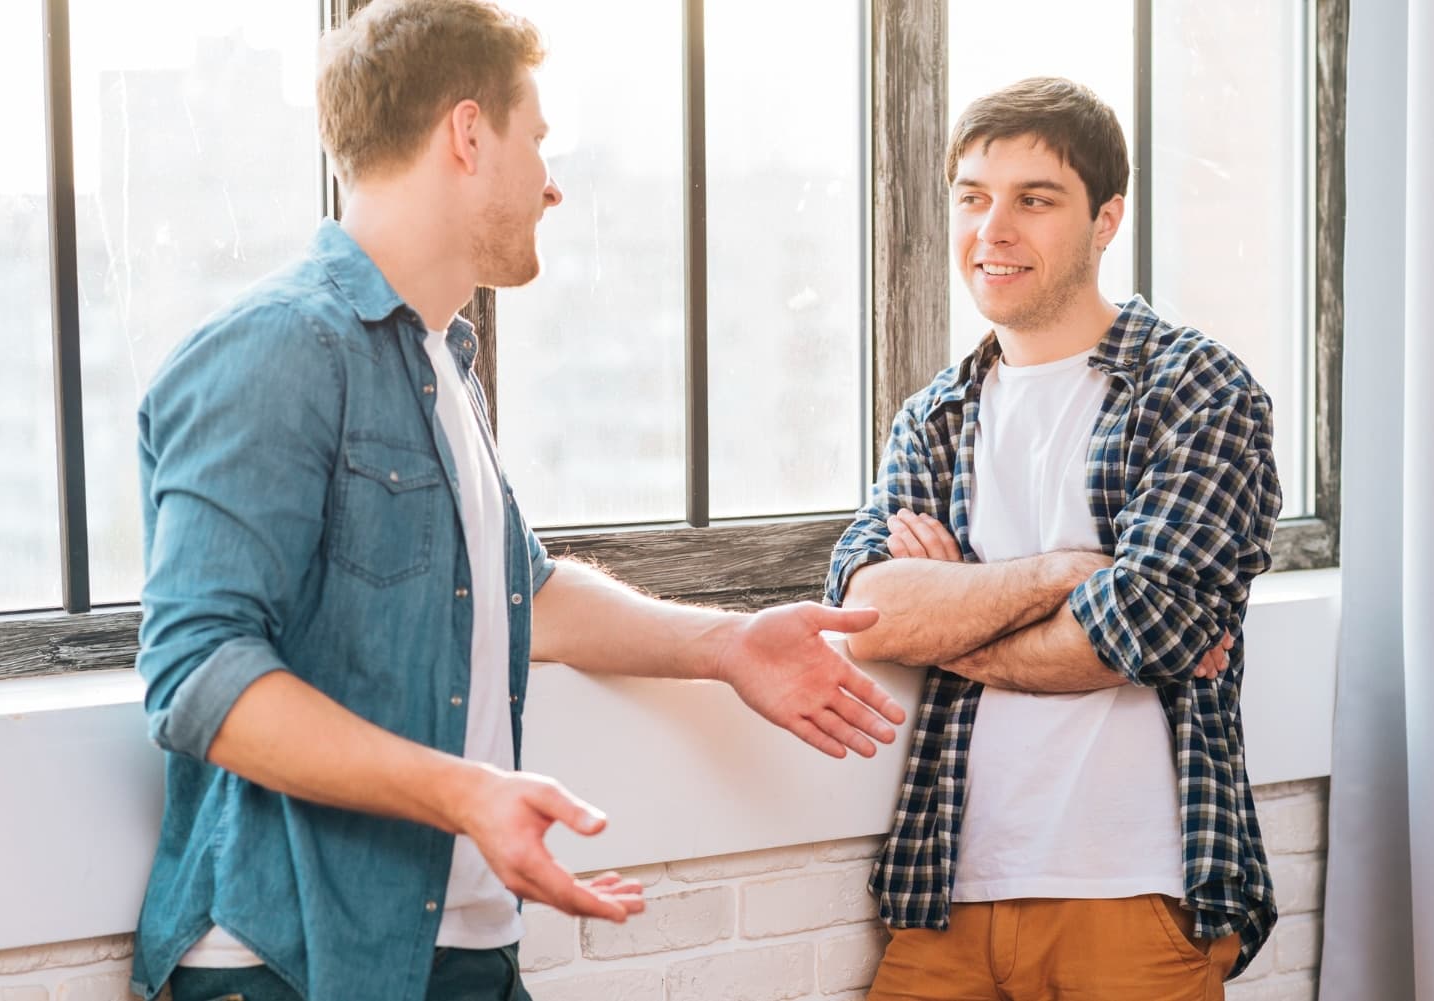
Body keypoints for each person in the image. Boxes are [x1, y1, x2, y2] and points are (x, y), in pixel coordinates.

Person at [129, 2, 906, 999]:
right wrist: (468, 793)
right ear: (466, 132)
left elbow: (515, 593)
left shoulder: (442, 360)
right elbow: (196, 672)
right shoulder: (281, 347)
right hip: (289, 966)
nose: (552, 181)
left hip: (455, 950)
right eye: (536, 139)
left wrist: (724, 644)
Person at [825, 77, 1281, 1000]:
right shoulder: (934, 416)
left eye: (1035, 200)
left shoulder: (1198, 389)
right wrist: (1074, 573)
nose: (994, 229)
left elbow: (1143, 625)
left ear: (1106, 219)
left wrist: (954, 623)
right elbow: (869, 616)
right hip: (946, 891)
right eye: (974, 197)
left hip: (1137, 891)